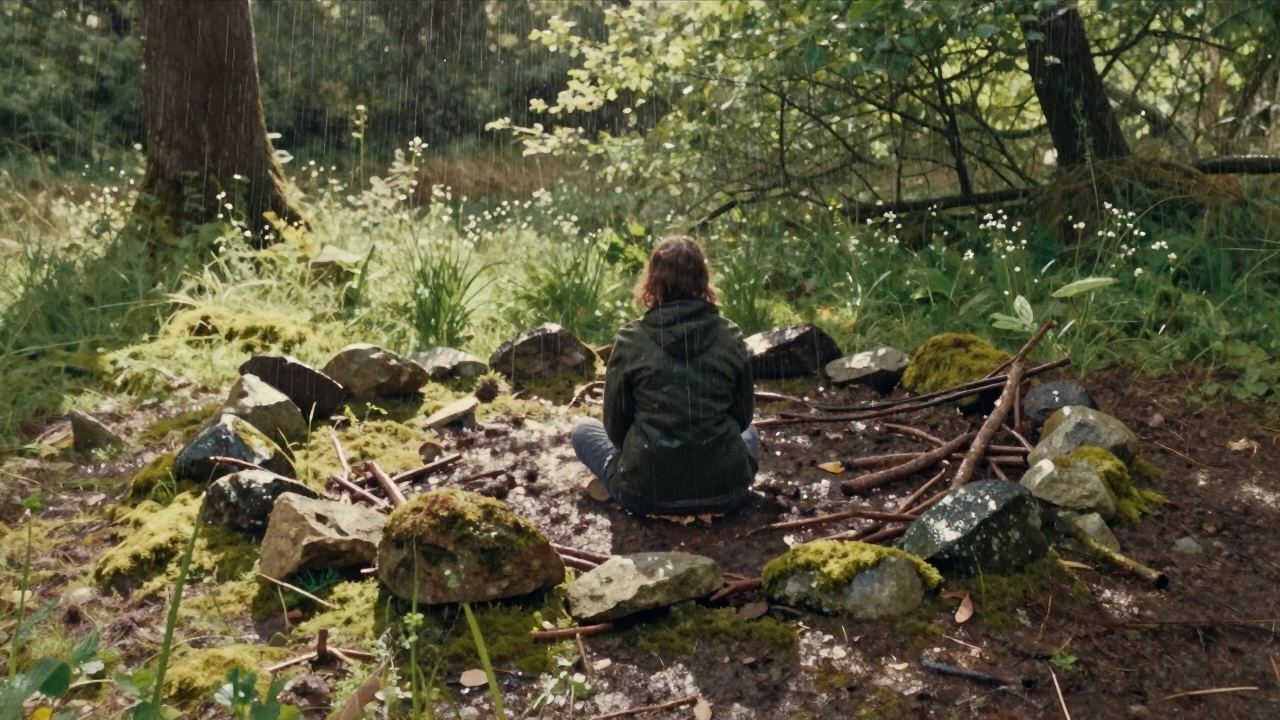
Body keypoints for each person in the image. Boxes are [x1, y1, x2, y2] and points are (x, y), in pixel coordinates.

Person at [571, 236, 759, 516]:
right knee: (752, 434)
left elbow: (615, 428)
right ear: (703, 280)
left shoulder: (631, 339)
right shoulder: (730, 335)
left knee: (583, 431)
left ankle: (648, 482)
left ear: (652, 283)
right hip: (725, 491)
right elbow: (743, 418)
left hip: (646, 494)